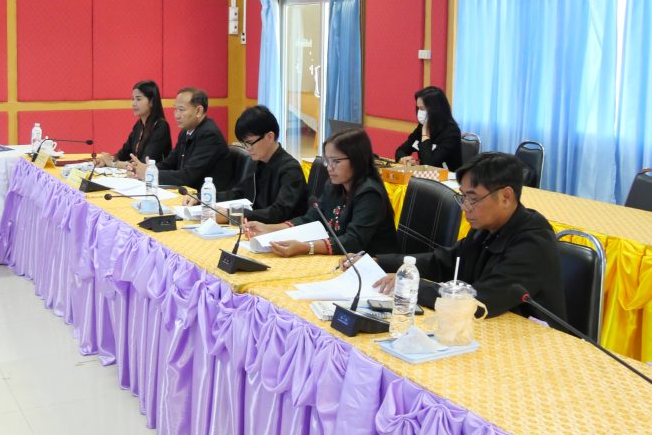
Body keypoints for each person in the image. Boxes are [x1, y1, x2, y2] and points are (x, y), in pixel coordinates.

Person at [373, 152, 566, 325]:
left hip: (536, 341)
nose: (465, 207)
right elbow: (444, 262)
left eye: (473, 199)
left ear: (506, 197)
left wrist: (413, 286)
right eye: (463, 197)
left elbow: (480, 301)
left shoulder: (533, 243)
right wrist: (381, 262)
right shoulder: (486, 227)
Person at [242, 128, 397, 258]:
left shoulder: (369, 193)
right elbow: (311, 218)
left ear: (357, 160)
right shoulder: (334, 186)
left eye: (336, 161)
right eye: (327, 160)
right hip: (341, 260)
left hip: (373, 268)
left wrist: (306, 247)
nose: (329, 167)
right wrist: (268, 228)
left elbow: (352, 241)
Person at [184, 105, 307, 224]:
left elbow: (278, 213)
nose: (247, 148)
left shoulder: (290, 169)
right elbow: (238, 194)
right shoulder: (258, 161)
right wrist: (201, 198)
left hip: (282, 232)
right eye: (243, 144)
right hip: (255, 226)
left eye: (250, 143)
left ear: (270, 137)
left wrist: (232, 214)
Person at [129, 87, 230, 190]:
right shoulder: (185, 132)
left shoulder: (209, 135)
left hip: (207, 196)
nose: (176, 115)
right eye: (175, 109)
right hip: (187, 192)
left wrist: (149, 174)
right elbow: (169, 163)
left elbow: (188, 176)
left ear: (198, 111)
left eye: (181, 110)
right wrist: (147, 169)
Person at [95, 80, 171, 169]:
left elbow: (143, 164)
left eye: (138, 99)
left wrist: (113, 164)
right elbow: (124, 153)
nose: (134, 103)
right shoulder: (138, 126)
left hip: (156, 176)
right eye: (133, 99)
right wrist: (107, 160)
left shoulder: (161, 126)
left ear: (151, 101)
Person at [394, 86, 463, 171]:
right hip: (425, 177)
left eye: (422, 109)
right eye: (418, 108)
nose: (419, 112)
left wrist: (425, 135)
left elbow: (430, 165)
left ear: (436, 109)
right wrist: (403, 159)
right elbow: (401, 150)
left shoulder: (451, 132)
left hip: (446, 177)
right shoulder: (422, 127)